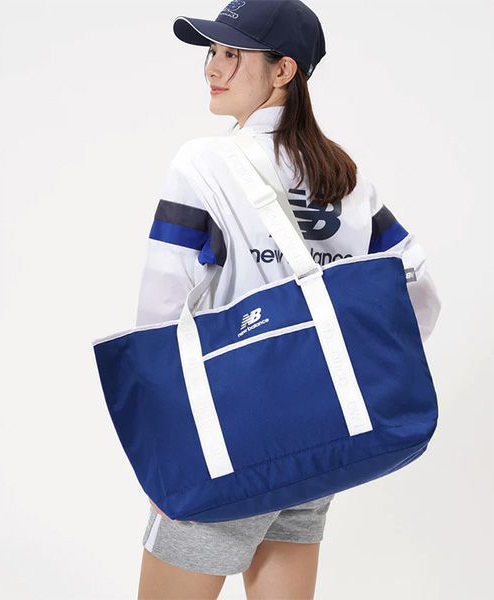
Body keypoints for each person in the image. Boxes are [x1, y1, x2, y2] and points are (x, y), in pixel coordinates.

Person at [136, 1, 441, 598]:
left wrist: (166, 452)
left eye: (233, 54)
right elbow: (420, 293)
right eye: (212, 52)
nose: (213, 67)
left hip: (227, 436)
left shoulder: (202, 164)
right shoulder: (346, 180)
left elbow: (160, 313)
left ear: (283, 70)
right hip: (322, 431)